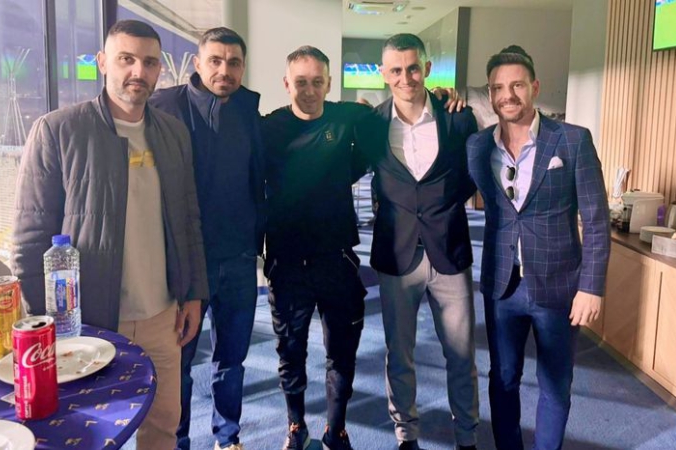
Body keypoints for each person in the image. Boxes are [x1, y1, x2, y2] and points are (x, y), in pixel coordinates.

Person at [11, 20, 208, 450]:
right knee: (91, 432)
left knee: (164, 424)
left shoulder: (173, 133)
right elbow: (29, 238)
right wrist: (47, 324)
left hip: (162, 315)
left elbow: (189, 219)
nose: (138, 71)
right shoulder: (59, 130)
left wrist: (194, 293)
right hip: (88, 322)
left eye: (149, 62)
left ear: (159, 70)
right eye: (126, 59)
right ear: (102, 62)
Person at [466, 45, 610, 450]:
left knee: (555, 383)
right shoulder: (478, 147)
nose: (507, 95)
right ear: (490, 94)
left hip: (559, 286)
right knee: (503, 378)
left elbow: (596, 220)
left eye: (516, 85)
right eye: (498, 88)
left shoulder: (572, 141)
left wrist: (591, 286)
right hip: (501, 286)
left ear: (535, 87)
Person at [357, 33, 479, 450]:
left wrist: (441, 207)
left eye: (413, 68)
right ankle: (405, 435)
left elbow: (470, 179)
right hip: (397, 254)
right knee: (400, 354)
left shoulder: (457, 117)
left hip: (450, 251)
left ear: (426, 68)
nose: (405, 77)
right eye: (396, 70)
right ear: (383, 73)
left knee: (461, 355)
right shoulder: (371, 124)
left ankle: (467, 436)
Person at [149, 27, 264, 450]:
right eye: (215, 61)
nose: (224, 70)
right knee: (178, 362)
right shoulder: (164, 108)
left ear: (243, 67)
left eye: (233, 63)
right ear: (198, 63)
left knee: (232, 360)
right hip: (183, 263)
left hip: (238, 259)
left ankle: (227, 436)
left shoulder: (250, 112)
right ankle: (177, 440)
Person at [261, 46, 369, 450]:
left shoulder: (347, 117)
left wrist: (443, 98)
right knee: (291, 352)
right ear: (286, 84)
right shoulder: (269, 128)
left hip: (335, 259)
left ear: (329, 83)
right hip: (287, 263)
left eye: (317, 82)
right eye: (300, 82)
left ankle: (335, 429)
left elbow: (394, 112)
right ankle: (296, 426)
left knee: (341, 352)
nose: (309, 90)